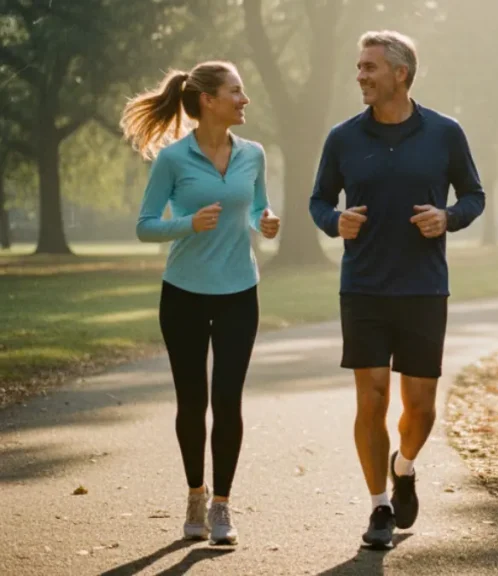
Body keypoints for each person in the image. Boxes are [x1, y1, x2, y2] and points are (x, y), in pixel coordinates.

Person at [308, 30, 485, 549]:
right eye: (359, 67)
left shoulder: (445, 133)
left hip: (424, 288)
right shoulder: (343, 138)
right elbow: (319, 200)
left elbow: (474, 194)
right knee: (373, 398)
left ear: (400, 74)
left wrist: (447, 217)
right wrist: (333, 222)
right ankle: (379, 507)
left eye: (370, 68)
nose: (360, 76)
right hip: (362, 287)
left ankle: (403, 466)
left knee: (422, 408)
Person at [120, 60, 280, 545]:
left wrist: (265, 220)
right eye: (236, 91)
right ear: (208, 100)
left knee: (227, 401)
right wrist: (187, 224)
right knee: (193, 402)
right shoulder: (173, 159)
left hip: (239, 292)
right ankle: (195, 493)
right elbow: (146, 225)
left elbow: (255, 205)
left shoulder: (253, 154)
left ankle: (223, 507)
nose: (244, 99)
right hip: (184, 294)